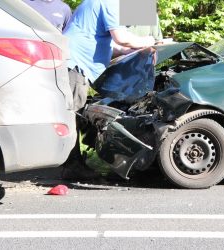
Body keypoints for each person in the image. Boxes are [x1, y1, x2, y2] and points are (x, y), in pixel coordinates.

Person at [61, 0, 156, 180]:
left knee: (76, 112)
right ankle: (72, 166)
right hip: (75, 63)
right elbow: (121, 37)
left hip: (77, 63)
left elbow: (112, 46)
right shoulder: (110, 2)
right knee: (72, 114)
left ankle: (73, 162)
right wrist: (149, 41)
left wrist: (131, 51)